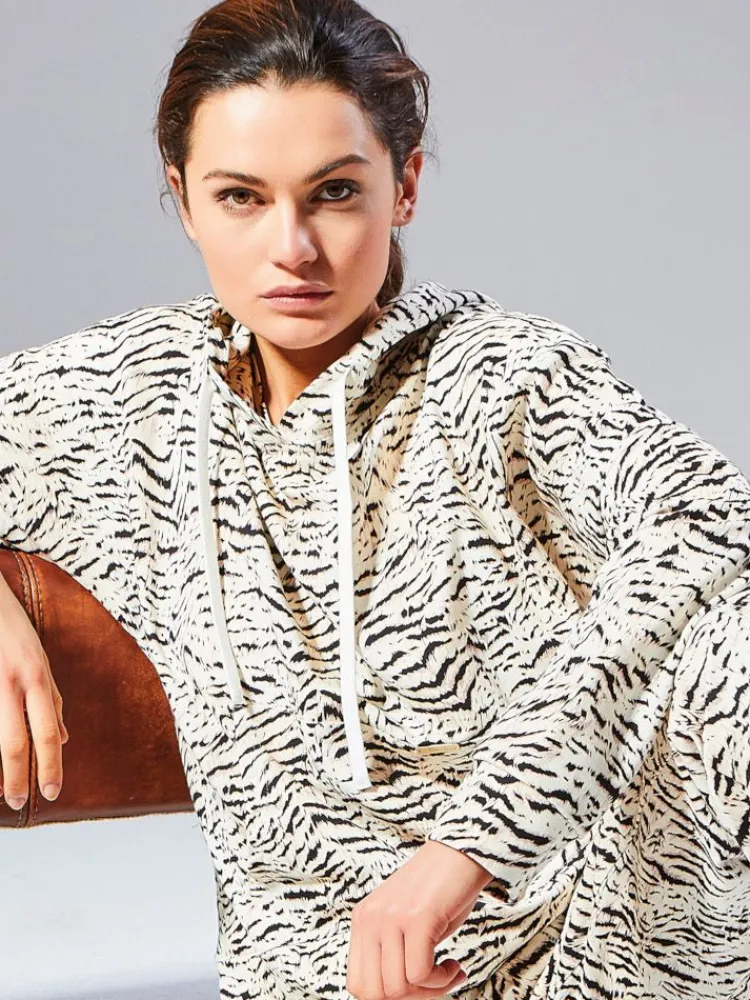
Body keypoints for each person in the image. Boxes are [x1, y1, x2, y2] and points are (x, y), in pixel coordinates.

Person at [1, 1, 749, 998]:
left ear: (405, 187)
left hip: (607, 949)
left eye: (336, 192)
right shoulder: (135, 399)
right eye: (241, 197)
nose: (293, 247)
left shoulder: (505, 377)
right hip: (329, 979)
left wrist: (471, 844)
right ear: (183, 199)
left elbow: (713, 522)